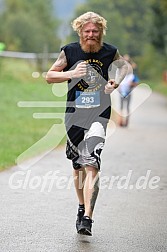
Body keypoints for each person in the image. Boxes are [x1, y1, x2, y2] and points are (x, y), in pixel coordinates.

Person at [46, 11, 127, 236]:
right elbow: (49, 75)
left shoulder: (110, 51)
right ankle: (81, 207)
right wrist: (71, 73)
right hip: (74, 115)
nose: (91, 34)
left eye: (95, 31)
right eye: (87, 31)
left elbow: (122, 67)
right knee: (78, 165)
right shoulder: (69, 51)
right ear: (80, 31)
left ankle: (88, 218)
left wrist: (115, 82)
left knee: (92, 162)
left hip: (99, 115)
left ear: (101, 32)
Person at [118, 54, 139, 127]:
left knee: (127, 107)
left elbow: (136, 83)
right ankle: (120, 120)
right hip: (121, 92)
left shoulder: (132, 75)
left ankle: (126, 121)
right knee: (121, 107)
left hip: (128, 92)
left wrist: (132, 84)